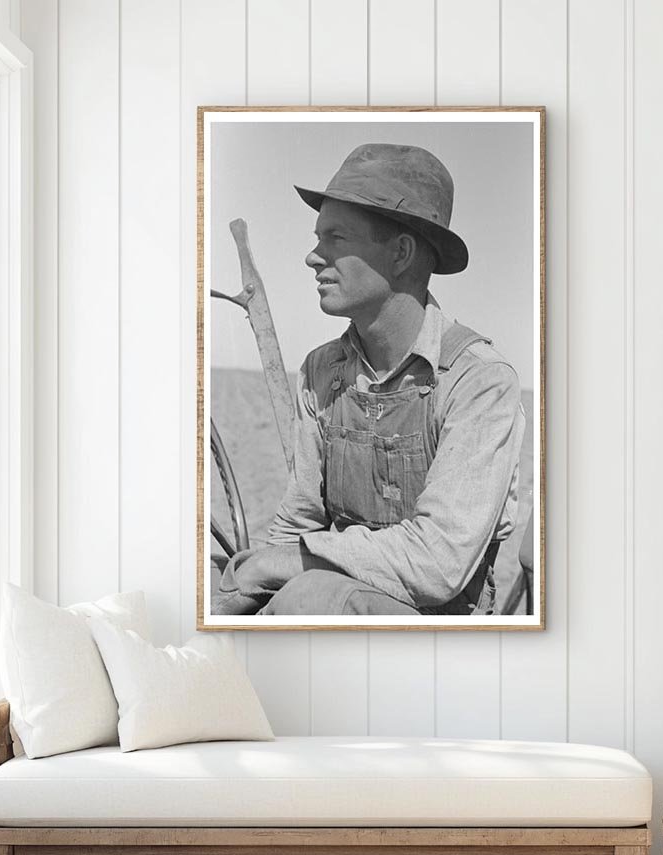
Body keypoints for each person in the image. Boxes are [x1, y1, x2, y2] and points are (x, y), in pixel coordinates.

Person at [213, 142, 524, 616]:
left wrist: (281, 567)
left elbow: (436, 564)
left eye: (336, 237)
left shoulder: (478, 383)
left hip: (438, 632)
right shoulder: (323, 372)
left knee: (306, 594)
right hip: (331, 603)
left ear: (400, 252)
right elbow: (297, 522)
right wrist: (247, 588)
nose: (313, 257)